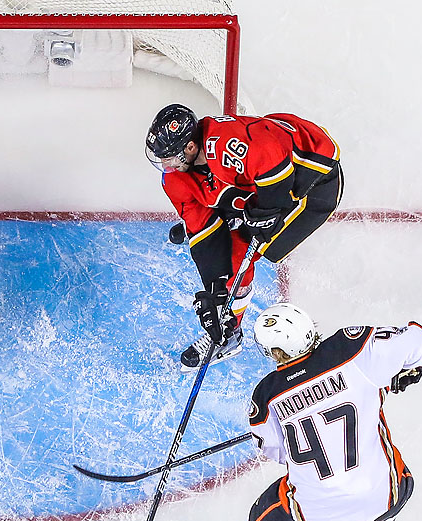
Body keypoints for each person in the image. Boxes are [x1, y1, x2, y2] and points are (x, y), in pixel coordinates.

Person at [182, 303, 422, 521]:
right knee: (386, 481)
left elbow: (279, 454)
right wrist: (389, 376)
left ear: (274, 352)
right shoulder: (351, 349)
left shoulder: (266, 396)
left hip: (311, 514)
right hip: (383, 498)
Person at [145, 105, 343, 370]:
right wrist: (216, 291)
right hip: (262, 178)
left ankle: (230, 335)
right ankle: (231, 216)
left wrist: (267, 213)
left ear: (190, 147)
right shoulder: (175, 180)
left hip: (312, 179)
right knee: (217, 232)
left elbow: (273, 163)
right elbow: (203, 232)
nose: (165, 165)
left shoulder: (226, 145)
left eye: (168, 157)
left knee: (241, 249)